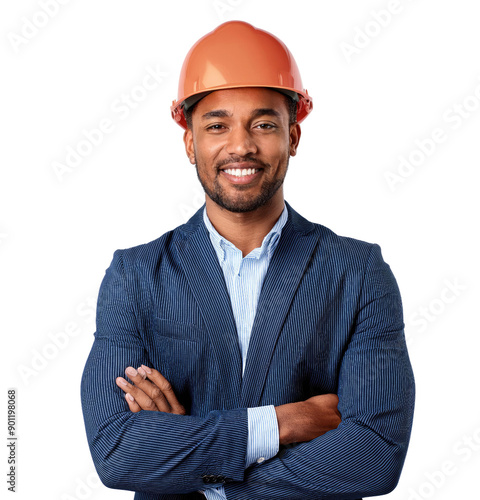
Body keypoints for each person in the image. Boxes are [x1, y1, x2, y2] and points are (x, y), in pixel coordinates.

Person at [81, 20, 415, 500]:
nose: (241, 145)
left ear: (293, 137)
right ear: (190, 143)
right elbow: (116, 451)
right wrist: (282, 423)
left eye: (263, 124)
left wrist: (194, 469)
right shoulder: (135, 276)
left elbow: (374, 455)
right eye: (217, 125)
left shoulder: (360, 274)